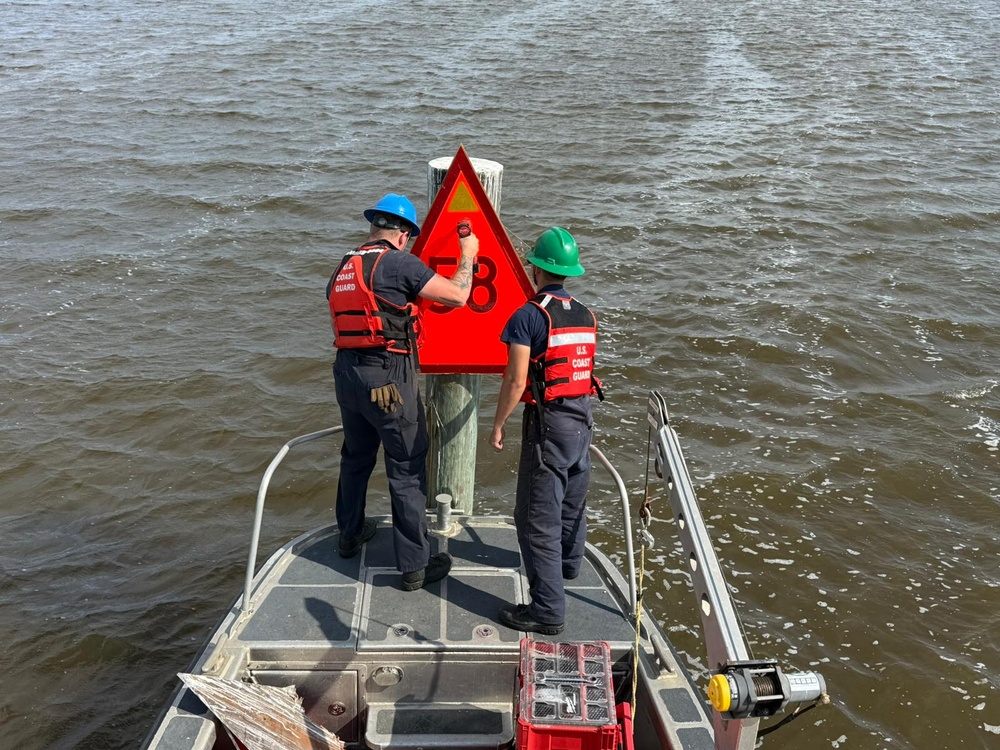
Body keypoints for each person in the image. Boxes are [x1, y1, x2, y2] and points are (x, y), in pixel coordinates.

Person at [327, 193, 478, 591]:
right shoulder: (398, 262)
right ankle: (414, 567)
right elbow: (458, 296)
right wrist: (469, 255)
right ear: (404, 234)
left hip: (347, 375)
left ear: (374, 226)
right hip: (388, 378)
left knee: (355, 456)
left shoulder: (345, 265)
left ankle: (349, 534)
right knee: (407, 466)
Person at [489, 227, 602, 634]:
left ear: (535, 268)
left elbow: (517, 381)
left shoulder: (529, 316)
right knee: (572, 503)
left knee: (537, 517)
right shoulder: (586, 315)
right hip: (582, 422)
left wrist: (498, 424)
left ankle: (547, 610)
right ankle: (570, 568)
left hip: (549, 427)